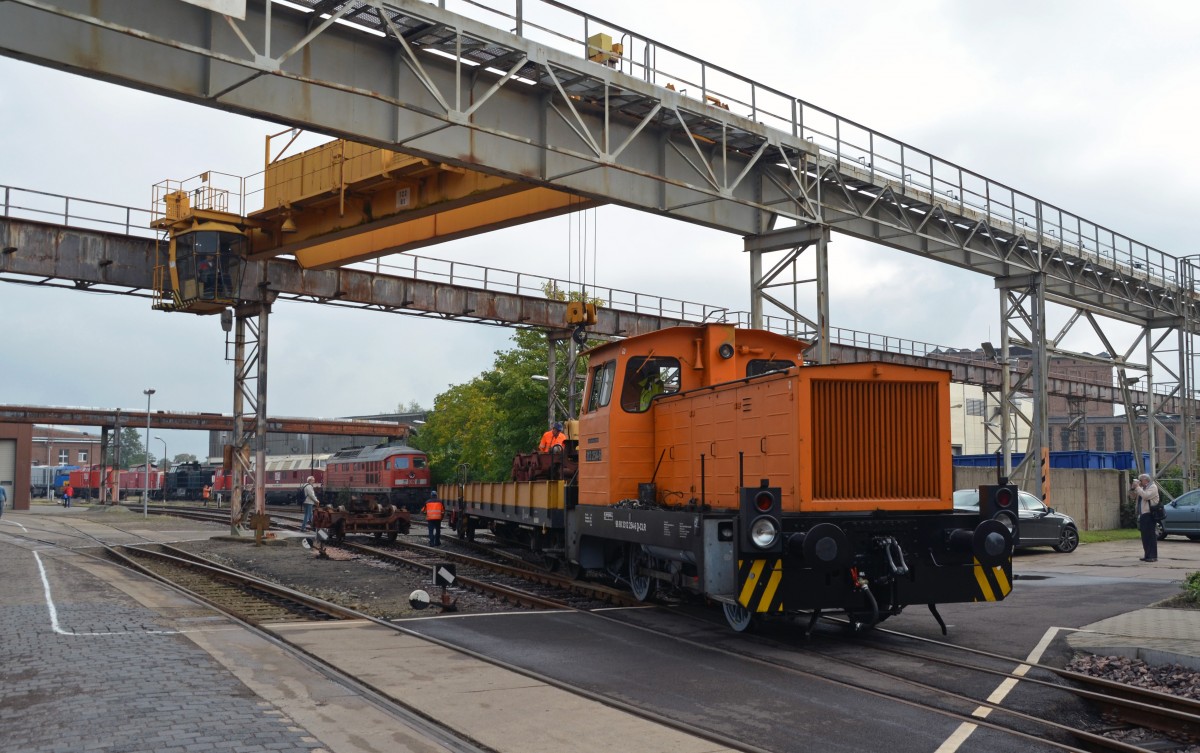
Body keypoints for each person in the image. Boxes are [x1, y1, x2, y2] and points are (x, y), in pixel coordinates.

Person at [1131, 473, 1160, 562]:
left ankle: (1153, 556)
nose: (1140, 482)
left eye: (1141, 480)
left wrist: (1138, 488)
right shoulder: (1143, 488)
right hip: (1143, 514)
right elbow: (1134, 497)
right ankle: (1147, 555)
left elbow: (1146, 496)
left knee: (1150, 535)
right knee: (1145, 536)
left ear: (1146, 480)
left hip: (1149, 514)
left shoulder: (1153, 487)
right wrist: (1134, 488)